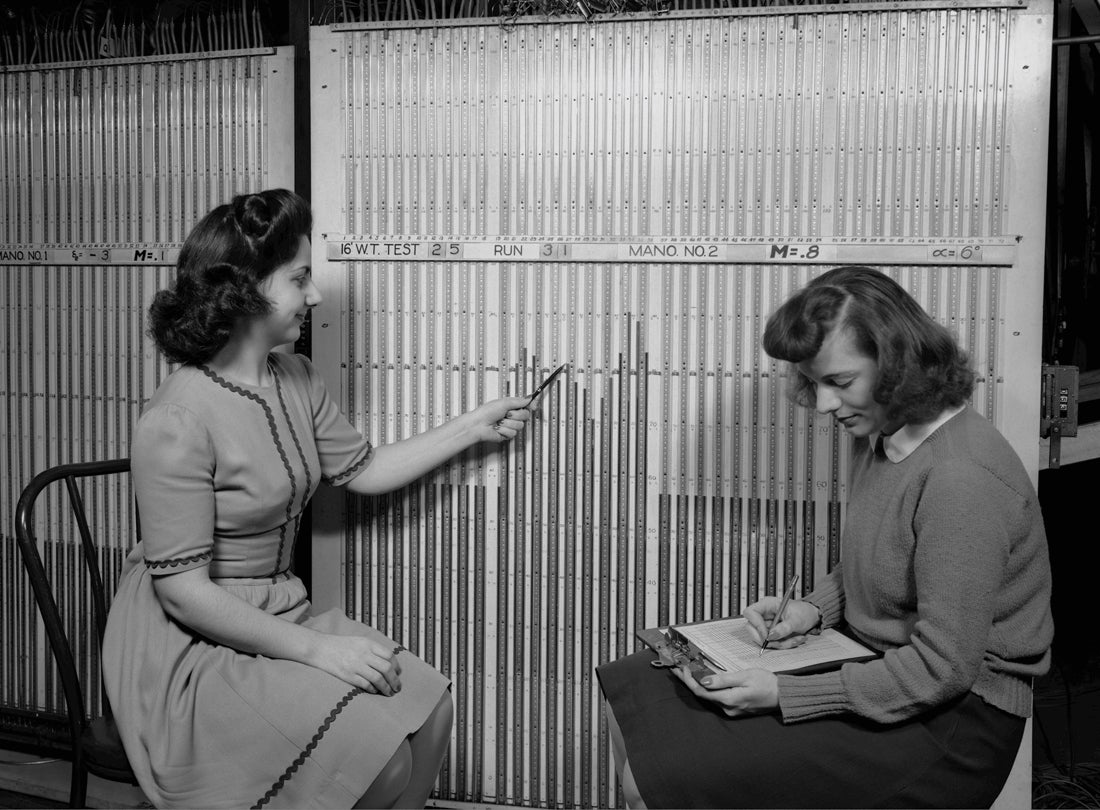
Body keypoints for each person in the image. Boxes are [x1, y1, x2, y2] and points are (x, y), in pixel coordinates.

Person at [101, 188, 532, 809]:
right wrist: (319, 650)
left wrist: (472, 427)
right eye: (300, 277)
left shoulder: (296, 378)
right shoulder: (176, 418)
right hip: (189, 641)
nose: (316, 295)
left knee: (430, 708)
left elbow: (366, 467)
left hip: (277, 611)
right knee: (378, 767)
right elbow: (182, 591)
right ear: (245, 288)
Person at [596, 265, 1053, 808]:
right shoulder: (884, 431)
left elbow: (943, 669)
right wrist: (811, 611)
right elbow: (885, 558)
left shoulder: (962, 479)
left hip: (954, 724)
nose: (823, 405)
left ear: (898, 363)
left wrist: (787, 694)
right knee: (630, 690)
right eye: (814, 383)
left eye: (838, 382)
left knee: (657, 779)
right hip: (882, 671)